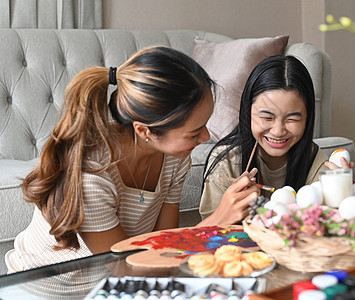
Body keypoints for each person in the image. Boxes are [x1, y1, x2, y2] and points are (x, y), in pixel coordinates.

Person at [4, 46, 233, 273]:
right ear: (144, 131)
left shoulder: (175, 157)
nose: (205, 137)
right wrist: (212, 226)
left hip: (114, 280)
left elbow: (161, 248)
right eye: (194, 132)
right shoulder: (91, 177)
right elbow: (127, 268)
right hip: (50, 288)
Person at [199, 55, 353, 222]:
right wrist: (228, 212)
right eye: (267, 117)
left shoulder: (313, 159)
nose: (278, 131)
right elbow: (208, 235)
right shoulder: (227, 161)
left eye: (292, 119)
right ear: (247, 112)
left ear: (307, 118)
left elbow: (328, 223)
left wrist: (341, 192)